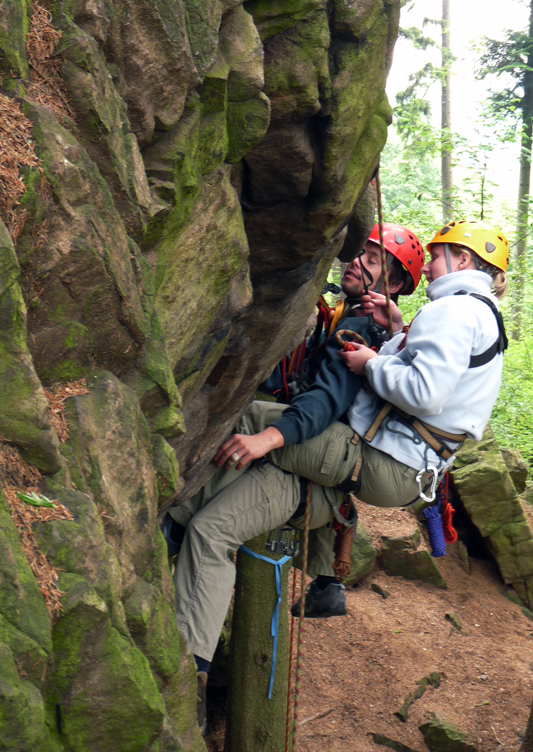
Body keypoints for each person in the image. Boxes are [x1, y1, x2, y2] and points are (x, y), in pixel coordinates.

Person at [171, 219, 508, 704]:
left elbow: (423, 392)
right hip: (389, 467)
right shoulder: (479, 315)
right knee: (212, 529)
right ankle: (195, 677)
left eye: (440, 254)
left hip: (377, 459)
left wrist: (368, 362)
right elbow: (434, 370)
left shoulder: (454, 311)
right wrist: (398, 330)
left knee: (246, 419)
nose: (434, 263)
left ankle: (165, 521)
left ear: (465, 261)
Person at [165, 223, 426, 620]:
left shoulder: (361, 331)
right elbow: (297, 375)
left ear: (390, 283)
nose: (357, 262)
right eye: (361, 252)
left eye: (373, 260)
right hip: (317, 457)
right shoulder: (345, 317)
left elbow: (324, 401)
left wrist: (271, 436)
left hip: (310, 459)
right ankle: (327, 580)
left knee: (243, 425)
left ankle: (174, 522)